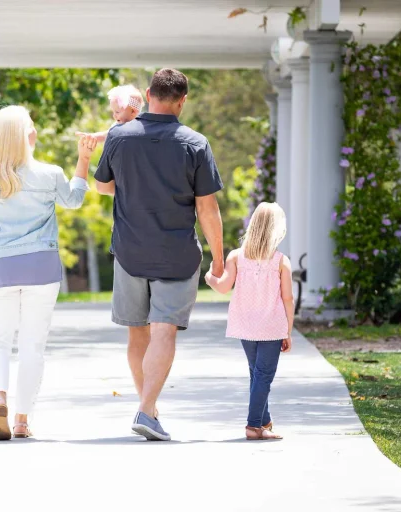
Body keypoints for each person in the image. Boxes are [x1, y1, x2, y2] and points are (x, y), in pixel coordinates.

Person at [0, 105, 97, 441]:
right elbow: (73, 201)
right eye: (32, 127)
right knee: (32, 345)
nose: (36, 131)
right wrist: (82, 161)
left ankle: (0, 398)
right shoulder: (50, 173)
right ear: (25, 136)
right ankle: (23, 419)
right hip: (42, 268)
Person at [94, 68, 225, 441]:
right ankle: (147, 409)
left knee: (138, 334)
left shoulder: (119, 136)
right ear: (183, 101)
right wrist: (218, 258)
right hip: (176, 255)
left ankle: (147, 408)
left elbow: (103, 186)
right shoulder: (195, 143)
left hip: (130, 251)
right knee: (164, 330)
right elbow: (207, 209)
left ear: (148, 94)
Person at [204, 202, 294, 440]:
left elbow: (223, 287)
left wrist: (208, 277)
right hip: (272, 326)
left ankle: (264, 420)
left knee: (257, 373)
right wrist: (288, 331)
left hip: (245, 325)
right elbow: (288, 299)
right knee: (263, 375)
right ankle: (253, 426)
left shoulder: (236, 257)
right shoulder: (281, 260)